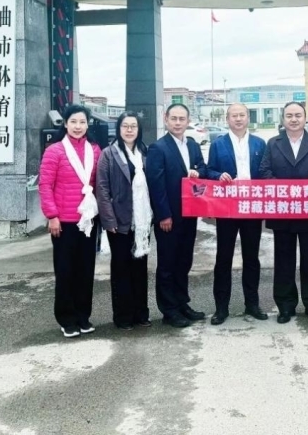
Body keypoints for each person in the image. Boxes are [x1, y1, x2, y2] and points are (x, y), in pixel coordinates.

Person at [260, 101, 308, 324]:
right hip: (283, 211)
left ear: (305, 118)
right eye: (289, 115)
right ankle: (285, 305)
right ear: (283, 119)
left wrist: (305, 190)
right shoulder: (273, 143)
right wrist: (286, 191)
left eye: (298, 115)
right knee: (284, 260)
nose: (293, 119)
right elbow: (264, 171)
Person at [38, 104, 103, 338]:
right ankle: (67, 319)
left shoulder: (95, 150)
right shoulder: (54, 151)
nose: (78, 126)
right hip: (63, 222)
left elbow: (100, 183)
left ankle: (83, 316)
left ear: (88, 124)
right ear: (65, 123)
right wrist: (52, 216)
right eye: (73, 122)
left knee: (86, 270)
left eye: (82, 122)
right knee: (65, 271)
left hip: (88, 220)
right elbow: (45, 185)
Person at [145, 103, 208, 328]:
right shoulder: (158, 148)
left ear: (188, 120)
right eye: (174, 118)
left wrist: (198, 172)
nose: (178, 123)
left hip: (190, 214)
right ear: (166, 119)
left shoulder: (192, 145)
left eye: (182, 119)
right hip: (169, 217)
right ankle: (169, 310)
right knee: (167, 265)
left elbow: (203, 167)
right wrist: (163, 215)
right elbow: (156, 185)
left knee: (184, 261)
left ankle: (182, 303)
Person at [206, 103, 269, 325]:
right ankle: (221, 308)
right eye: (234, 115)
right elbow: (209, 170)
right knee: (223, 258)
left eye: (242, 115)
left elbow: (265, 172)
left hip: (252, 207)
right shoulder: (218, 144)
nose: (239, 119)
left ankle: (252, 304)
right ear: (227, 119)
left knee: (251, 257)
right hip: (227, 208)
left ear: (248, 118)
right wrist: (218, 176)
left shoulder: (259, 143)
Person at [96, 111, 152, 330]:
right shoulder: (109, 154)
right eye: (125, 126)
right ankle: (123, 316)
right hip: (119, 221)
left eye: (133, 126)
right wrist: (109, 220)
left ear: (139, 130)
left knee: (140, 268)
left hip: (142, 220)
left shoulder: (145, 152)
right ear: (118, 129)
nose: (129, 130)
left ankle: (141, 313)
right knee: (121, 269)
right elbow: (102, 189)